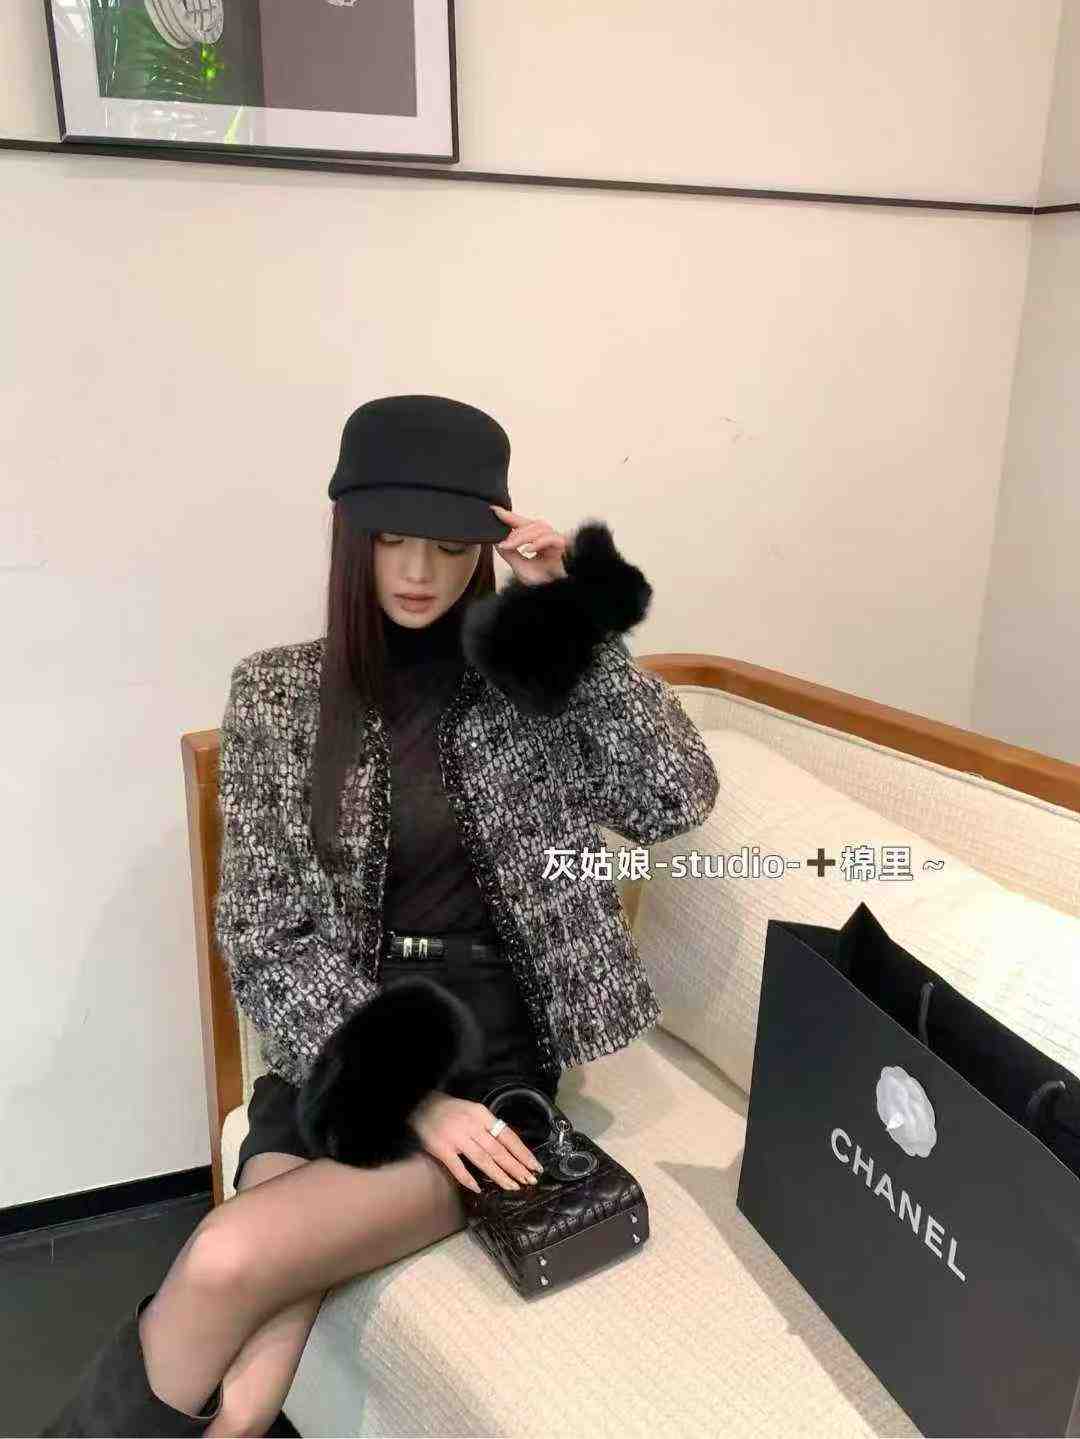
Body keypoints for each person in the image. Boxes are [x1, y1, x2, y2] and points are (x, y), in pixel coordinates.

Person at [41, 394, 719, 1437]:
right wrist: (399, 1094)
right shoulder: (278, 694)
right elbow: (262, 931)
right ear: (349, 533)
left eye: (448, 545)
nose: (416, 571)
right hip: (343, 1039)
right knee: (251, 1385)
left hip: (486, 1061)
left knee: (225, 1255)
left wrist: (575, 617)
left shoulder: (526, 683)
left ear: (485, 547)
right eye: (392, 538)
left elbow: (675, 795)